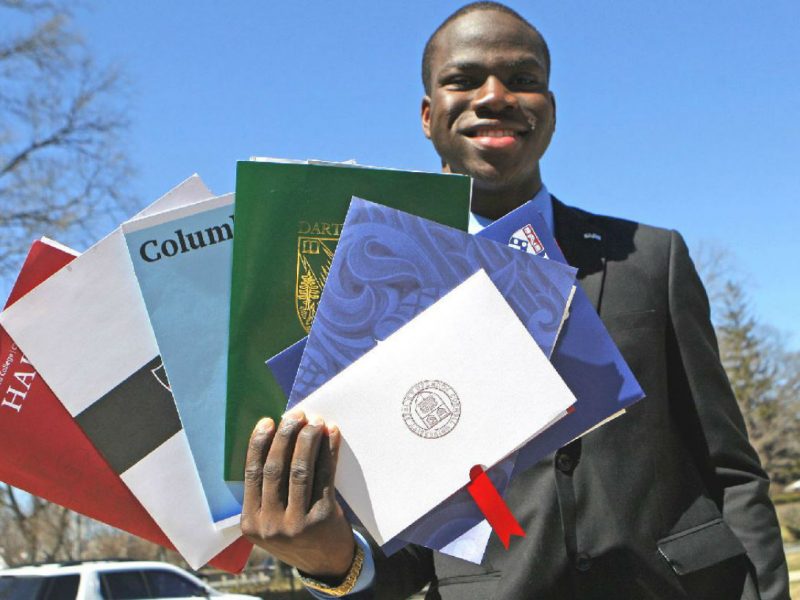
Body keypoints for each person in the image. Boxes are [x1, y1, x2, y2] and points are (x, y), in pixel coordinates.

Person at [240, 3, 791, 598]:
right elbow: (403, 550)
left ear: (549, 112)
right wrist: (328, 562)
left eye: (523, 80)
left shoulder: (652, 260)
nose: (496, 95)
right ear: (428, 115)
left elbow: (731, 470)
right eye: (464, 79)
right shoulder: (370, 297)